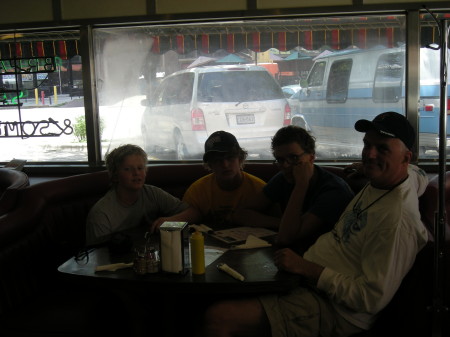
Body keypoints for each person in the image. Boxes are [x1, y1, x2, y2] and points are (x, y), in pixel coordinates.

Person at [200, 111, 429, 337]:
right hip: (308, 283)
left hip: (334, 310)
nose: (369, 155)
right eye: (367, 145)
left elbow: (370, 298)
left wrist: (306, 267)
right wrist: (369, 166)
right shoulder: (391, 180)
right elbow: (419, 173)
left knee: (219, 318)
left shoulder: (395, 221)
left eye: (382, 149)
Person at [233, 125, 354, 251]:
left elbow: (286, 237)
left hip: (327, 257)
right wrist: (281, 223)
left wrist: (301, 184)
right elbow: (240, 214)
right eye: (280, 159)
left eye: (294, 158)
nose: (286, 165)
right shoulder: (284, 178)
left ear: (311, 157)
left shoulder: (334, 191)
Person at [85, 144, 196, 246]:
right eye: (128, 169)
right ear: (115, 175)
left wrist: (172, 220)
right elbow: (96, 257)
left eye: (140, 168)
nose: (136, 173)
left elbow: (194, 213)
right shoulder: (101, 214)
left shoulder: (153, 194)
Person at [182, 130, 266, 228]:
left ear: (240, 158)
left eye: (230, 158)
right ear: (210, 165)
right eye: (217, 160)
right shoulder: (197, 191)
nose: (225, 165)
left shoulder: (259, 189)